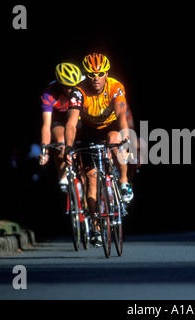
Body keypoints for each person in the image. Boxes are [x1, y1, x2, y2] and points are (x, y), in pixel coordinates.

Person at [64, 53, 133, 244]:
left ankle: (125, 182)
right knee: (92, 179)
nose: (96, 78)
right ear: (86, 75)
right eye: (91, 74)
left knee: (115, 142)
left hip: (109, 125)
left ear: (106, 73)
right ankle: (95, 227)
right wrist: (68, 148)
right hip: (89, 130)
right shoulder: (78, 91)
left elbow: (121, 114)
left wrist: (125, 138)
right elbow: (71, 123)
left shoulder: (116, 87)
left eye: (100, 73)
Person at [39, 63, 84, 190]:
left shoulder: (79, 90)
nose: (72, 90)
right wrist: (45, 149)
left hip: (76, 119)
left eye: (73, 86)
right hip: (58, 121)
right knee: (60, 141)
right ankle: (63, 175)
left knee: (80, 152)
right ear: (59, 84)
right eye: (68, 87)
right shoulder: (49, 93)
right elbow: (46, 125)